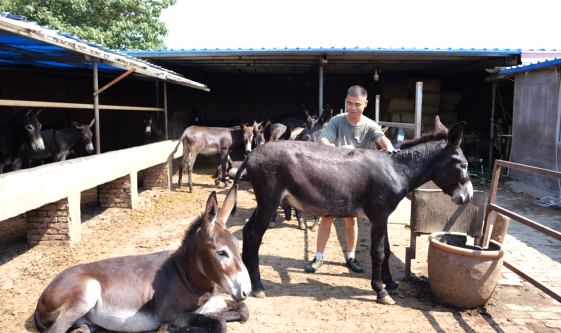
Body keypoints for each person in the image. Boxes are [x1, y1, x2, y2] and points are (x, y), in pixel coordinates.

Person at [305, 85, 400, 274]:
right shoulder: (337, 121)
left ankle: (351, 256)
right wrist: (336, 150)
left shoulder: (370, 125)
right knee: (326, 217)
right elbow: (323, 140)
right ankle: (318, 257)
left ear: (365, 104)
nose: (353, 108)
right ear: (345, 103)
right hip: (336, 177)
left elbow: (383, 140)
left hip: (357, 182)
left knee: (351, 220)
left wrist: (390, 149)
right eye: (349, 103)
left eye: (357, 104)